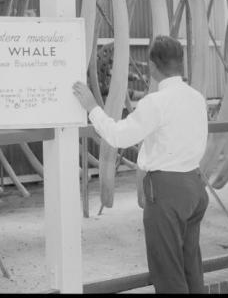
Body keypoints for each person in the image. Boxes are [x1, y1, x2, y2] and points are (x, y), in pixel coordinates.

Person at [72, 35, 209, 294]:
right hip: (195, 187)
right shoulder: (196, 98)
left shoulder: (155, 103)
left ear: (153, 67)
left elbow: (118, 136)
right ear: (181, 64)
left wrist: (92, 107)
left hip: (168, 193)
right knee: (191, 266)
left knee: (168, 273)